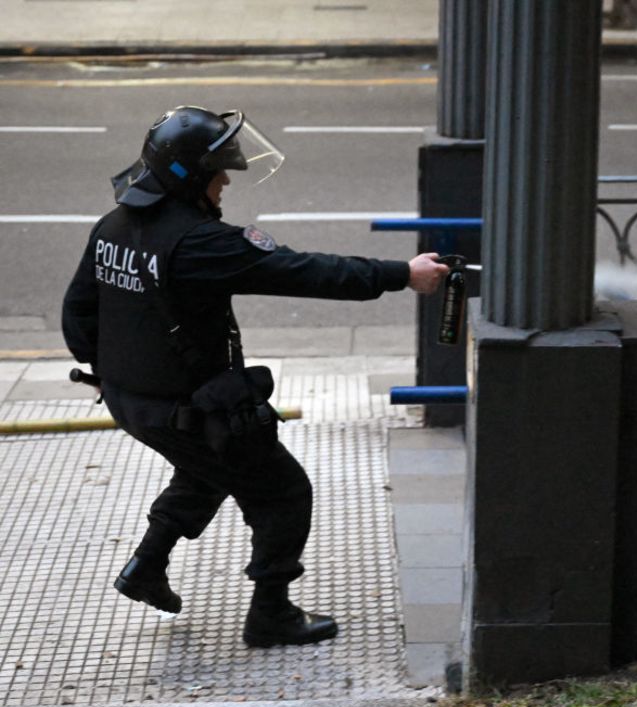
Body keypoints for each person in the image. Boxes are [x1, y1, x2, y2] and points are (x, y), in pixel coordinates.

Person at [61, 106, 448, 647]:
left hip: (134, 404)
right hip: (185, 409)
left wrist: (106, 374)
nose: (225, 180)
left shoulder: (113, 226)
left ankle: (144, 569)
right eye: (218, 171)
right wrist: (402, 275)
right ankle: (271, 614)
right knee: (283, 493)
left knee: (209, 469)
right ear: (189, 177)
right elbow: (304, 270)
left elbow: (78, 310)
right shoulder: (201, 243)